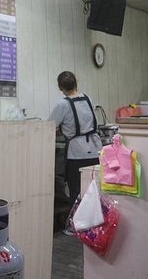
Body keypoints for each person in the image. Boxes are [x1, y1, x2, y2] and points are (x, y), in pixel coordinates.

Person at [48, 71, 102, 233]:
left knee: (76, 190)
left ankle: (76, 227)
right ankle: (95, 223)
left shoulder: (62, 105)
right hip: (95, 150)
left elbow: (49, 127)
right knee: (94, 190)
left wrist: (60, 130)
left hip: (77, 153)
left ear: (60, 87)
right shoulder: (88, 98)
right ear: (76, 83)